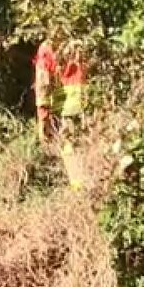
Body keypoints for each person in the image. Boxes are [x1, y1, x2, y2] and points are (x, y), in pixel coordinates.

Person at [35, 35, 89, 188]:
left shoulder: (48, 48)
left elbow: (43, 86)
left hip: (66, 113)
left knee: (71, 153)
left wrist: (43, 119)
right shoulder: (84, 41)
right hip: (91, 108)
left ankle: (81, 194)